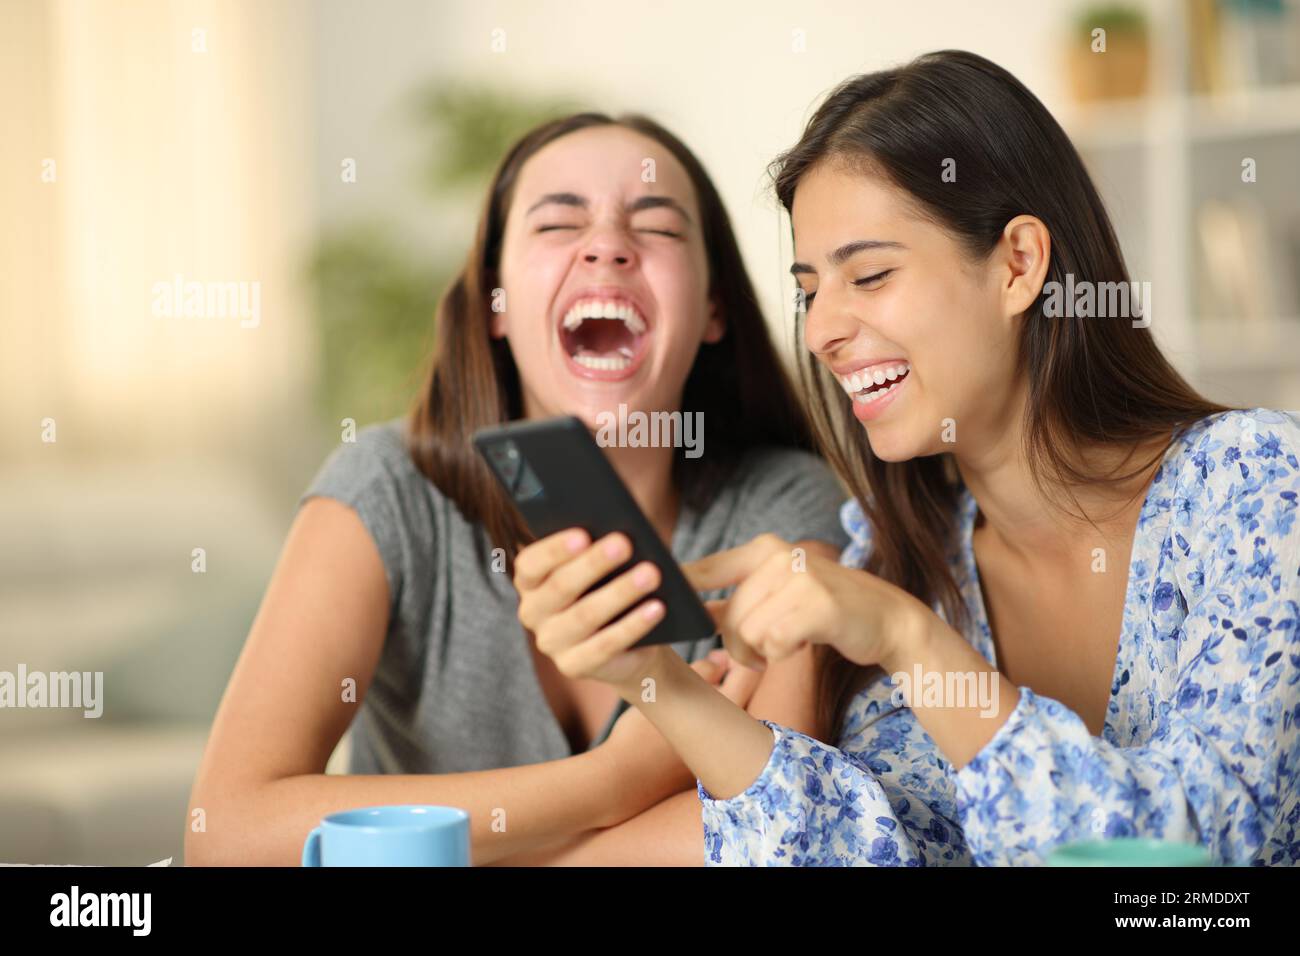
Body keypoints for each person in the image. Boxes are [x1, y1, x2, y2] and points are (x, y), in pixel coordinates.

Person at [520, 51, 1300, 866]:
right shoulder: (906, 560)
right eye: (810, 289)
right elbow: (867, 850)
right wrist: (656, 679)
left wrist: (911, 641)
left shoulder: (1254, 486)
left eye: (871, 273)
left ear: (1019, 264)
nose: (822, 330)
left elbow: (1208, 862)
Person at [185, 112, 849, 866]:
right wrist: (609, 781)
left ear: (713, 310)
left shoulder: (786, 511)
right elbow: (228, 834)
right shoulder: (385, 491)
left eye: (658, 227)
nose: (606, 245)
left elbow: (786, 834)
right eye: (560, 223)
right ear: (495, 305)